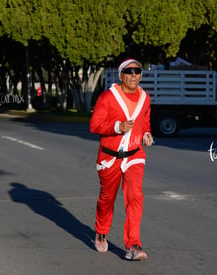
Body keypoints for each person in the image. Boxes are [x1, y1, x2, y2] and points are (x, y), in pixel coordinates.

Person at [89, 58, 153, 261]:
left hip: (134, 155)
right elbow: (94, 125)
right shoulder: (108, 97)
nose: (134, 75)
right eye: (129, 71)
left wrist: (146, 134)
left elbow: (145, 122)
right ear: (121, 75)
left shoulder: (145, 98)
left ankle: (133, 245)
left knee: (135, 196)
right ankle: (101, 231)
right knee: (106, 200)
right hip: (110, 157)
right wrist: (117, 127)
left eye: (138, 71)